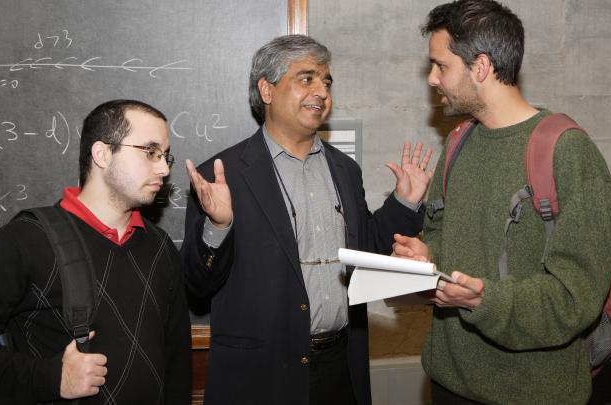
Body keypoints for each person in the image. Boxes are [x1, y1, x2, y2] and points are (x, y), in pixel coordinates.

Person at [183, 35, 430, 405]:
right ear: (266, 90)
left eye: (326, 82)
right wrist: (218, 226)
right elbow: (197, 286)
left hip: (341, 366)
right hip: (261, 375)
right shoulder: (222, 175)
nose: (321, 91)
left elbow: (366, 252)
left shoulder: (345, 170)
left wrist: (405, 203)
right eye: (306, 78)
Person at [391, 0, 611, 403]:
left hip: (533, 393)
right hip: (448, 382)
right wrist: (426, 254)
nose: (431, 78)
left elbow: (575, 298)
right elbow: (445, 237)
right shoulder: (458, 144)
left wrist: (486, 302)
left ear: (480, 67)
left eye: (441, 66)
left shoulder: (569, 153)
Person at [0, 100, 191, 405]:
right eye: (150, 152)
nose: (164, 168)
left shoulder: (160, 247)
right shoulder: (27, 240)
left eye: (165, 156)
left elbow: (176, 360)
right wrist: (51, 378)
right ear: (101, 153)